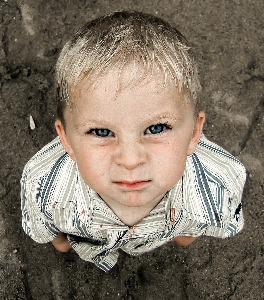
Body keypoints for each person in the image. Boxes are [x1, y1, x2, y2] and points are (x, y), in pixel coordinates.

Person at [21, 11, 246, 272]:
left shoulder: (219, 187)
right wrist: (60, 241)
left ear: (195, 131)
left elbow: (209, 221)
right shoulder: (44, 187)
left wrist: (187, 233)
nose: (130, 160)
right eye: (102, 132)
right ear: (66, 138)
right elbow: (47, 227)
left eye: (157, 127)